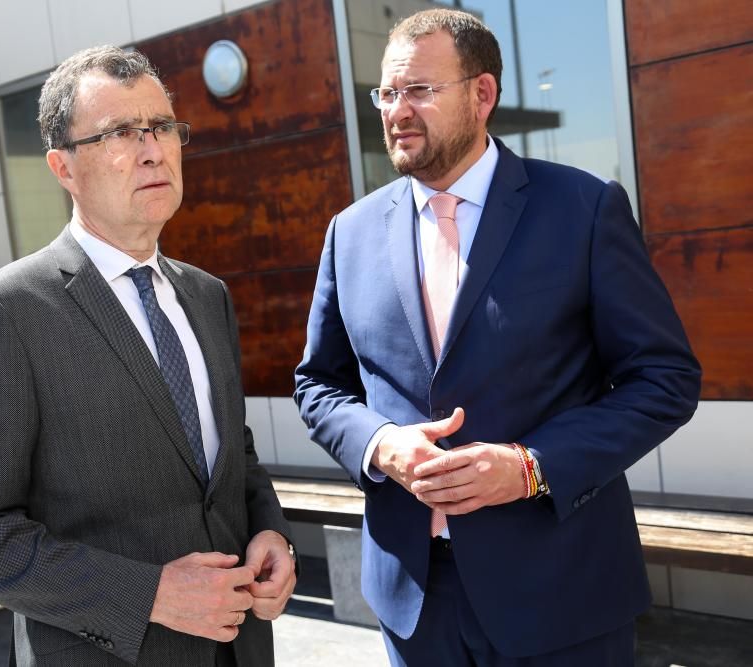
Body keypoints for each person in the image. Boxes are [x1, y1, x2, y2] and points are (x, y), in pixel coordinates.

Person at [294, 8, 701, 666]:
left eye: (420, 90)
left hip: (561, 594)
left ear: (482, 94)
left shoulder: (584, 209)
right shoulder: (351, 231)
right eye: (387, 93)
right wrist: (379, 443)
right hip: (415, 601)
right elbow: (318, 383)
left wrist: (532, 465)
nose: (397, 110)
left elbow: (666, 379)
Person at [0, 46, 296, 666]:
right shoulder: (4, 311)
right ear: (62, 166)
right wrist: (148, 594)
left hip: (241, 648)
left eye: (163, 128)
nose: (154, 150)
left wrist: (271, 531)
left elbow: (235, 455)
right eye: (122, 133)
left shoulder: (207, 296)